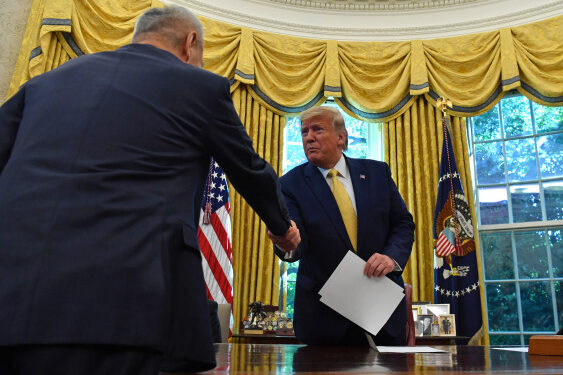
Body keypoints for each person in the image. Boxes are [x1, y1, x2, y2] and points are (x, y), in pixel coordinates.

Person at [0, 5, 299, 374]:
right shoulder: (200, 86)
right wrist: (283, 228)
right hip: (119, 303)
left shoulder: (47, 82)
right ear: (190, 43)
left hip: (13, 296)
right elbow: (250, 169)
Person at [269, 106, 415, 346]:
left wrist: (391, 257)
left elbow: (403, 224)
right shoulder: (289, 184)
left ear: (341, 137)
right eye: (304, 132)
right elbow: (296, 239)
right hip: (323, 319)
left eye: (317, 129)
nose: (309, 137)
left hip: (381, 310)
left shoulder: (377, 173)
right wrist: (287, 242)